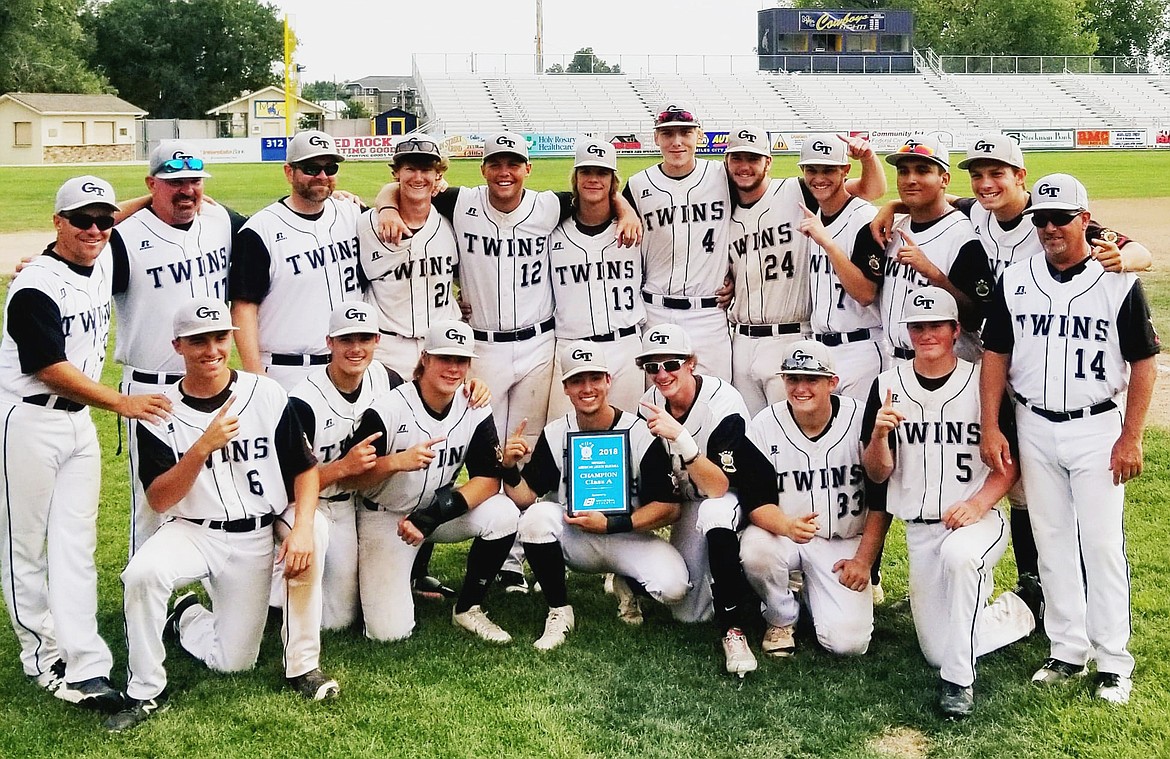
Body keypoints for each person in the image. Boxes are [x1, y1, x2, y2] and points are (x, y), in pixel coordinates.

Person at [376, 132, 639, 593]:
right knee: (478, 449)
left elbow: (597, 194)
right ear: (483, 168)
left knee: (526, 449)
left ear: (527, 168)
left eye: (513, 163)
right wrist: (385, 207)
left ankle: (517, 556)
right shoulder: (458, 202)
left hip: (540, 343)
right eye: (496, 163)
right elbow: (400, 187)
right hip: (483, 346)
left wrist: (625, 208)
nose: (504, 171)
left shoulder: (549, 206)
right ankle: (444, 552)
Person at [980, 174, 1158, 706]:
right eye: (1041, 219)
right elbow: (995, 356)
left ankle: (1113, 660)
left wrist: (1130, 437)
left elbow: (1145, 363)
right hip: (1033, 424)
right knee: (1052, 540)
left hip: (1097, 426)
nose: (1050, 228)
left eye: (1062, 218)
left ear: (1086, 218)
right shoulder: (1017, 276)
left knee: (1100, 545)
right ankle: (1066, 648)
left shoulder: (1116, 276)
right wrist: (992, 425)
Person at [107, 297, 323, 731]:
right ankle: (145, 690)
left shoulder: (265, 393)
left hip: (257, 537)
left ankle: (186, 614)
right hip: (193, 531)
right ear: (178, 345)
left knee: (233, 664)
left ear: (232, 338)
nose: (211, 350)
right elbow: (160, 500)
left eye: (220, 337)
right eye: (197, 340)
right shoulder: (158, 411)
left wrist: (299, 528)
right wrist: (201, 447)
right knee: (142, 574)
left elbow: (305, 469)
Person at [0, 176, 170, 712]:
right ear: (58, 223)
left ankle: (83, 659)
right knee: (24, 547)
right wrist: (122, 404)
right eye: (81, 220)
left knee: (76, 545)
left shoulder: (100, 256)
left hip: (77, 427)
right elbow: (50, 369)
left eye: (102, 219)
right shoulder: (34, 286)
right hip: (28, 422)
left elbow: (122, 215)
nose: (95, 229)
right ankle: (41, 655)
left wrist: (160, 195)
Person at [857, 287, 1036, 718]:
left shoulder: (981, 382)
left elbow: (1010, 462)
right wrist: (880, 435)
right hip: (919, 529)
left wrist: (978, 504)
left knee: (959, 558)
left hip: (978, 519)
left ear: (956, 330)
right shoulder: (886, 386)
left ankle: (959, 683)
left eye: (936, 325)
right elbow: (877, 473)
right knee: (936, 648)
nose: (926, 334)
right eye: (917, 326)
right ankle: (1024, 610)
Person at [501, 341, 689, 650]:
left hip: (626, 534)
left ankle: (626, 580)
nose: (586, 388)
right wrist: (508, 468)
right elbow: (525, 497)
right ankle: (559, 610)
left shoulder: (640, 432)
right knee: (535, 518)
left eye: (594, 378)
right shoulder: (555, 432)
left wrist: (611, 524)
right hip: (574, 535)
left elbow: (669, 509)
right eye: (577, 380)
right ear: (565, 387)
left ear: (608, 381)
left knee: (674, 588)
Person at [345, 320, 520, 643]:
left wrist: (431, 518)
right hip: (385, 516)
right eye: (444, 358)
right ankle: (396, 576)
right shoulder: (387, 410)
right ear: (424, 358)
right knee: (388, 634)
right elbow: (352, 480)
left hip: (433, 514)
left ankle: (468, 608)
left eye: (461, 360)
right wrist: (396, 462)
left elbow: (487, 479)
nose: (453, 369)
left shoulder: (473, 406)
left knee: (504, 513)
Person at [113, 140, 245, 554]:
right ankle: (145, 601)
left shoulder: (221, 220)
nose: (187, 190)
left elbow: (279, 226)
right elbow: (79, 246)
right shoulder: (124, 237)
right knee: (154, 502)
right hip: (153, 389)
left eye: (194, 181)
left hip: (213, 383)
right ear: (152, 183)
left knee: (219, 489)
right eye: (174, 182)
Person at [636, 324, 772, 676]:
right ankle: (739, 588)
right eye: (653, 367)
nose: (662, 374)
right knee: (688, 612)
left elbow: (718, 486)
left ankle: (734, 630)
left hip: (735, 496)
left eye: (671, 364)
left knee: (713, 512)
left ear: (692, 363)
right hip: (688, 500)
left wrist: (681, 439)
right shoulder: (651, 401)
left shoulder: (722, 401)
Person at [726, 127, 886, 415]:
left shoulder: (798, 194)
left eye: (753, 158)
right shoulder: (723, 207)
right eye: (737, 158)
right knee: (756, 434)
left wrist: (870, 158)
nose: (745, 166)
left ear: (768, 162)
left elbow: (870, 192)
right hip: (743, 339)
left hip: (797, 335)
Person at [740, 340, 874, 658]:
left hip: (841, 542)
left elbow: (882, 497)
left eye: (811, 379)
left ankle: (813, 594)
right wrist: (786, 525)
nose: (800, 387)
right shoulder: (764, 425)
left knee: (848, 645)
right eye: (792, 378)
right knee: (756, 548)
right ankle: (781, 616)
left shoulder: (858, 419)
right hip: (783, 536)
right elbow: (756, 501)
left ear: (832, 382)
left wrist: (865, 560)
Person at [287, 302, 401, 630]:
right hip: (316, 508)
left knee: (354, 612)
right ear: (329, 342)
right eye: (346, 339)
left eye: (364, 338)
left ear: (377, 340)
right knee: (336, 622)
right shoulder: (303, 402)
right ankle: (273, 588)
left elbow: (426, 396)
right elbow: (287, 486)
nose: (356, 348)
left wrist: (472, 386)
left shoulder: (386, 379)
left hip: (362, 502)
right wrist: (342, 467)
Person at [229, 130, 363, 390]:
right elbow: (243, 308)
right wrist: (255, 374)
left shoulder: (353, 214)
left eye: (330, 168)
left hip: (348, 367)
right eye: (312, 168)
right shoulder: (261, 230)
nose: (322, 177)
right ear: (289, 172)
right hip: (286, 370)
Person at [858, 136, 994, 365]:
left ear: (944, 179)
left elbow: (974, 318)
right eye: (903, 171)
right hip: (896, 362)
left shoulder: (963, 236)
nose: (910, 179)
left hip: (950, 367)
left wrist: (933, 274)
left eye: (922, 170)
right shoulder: (893, 226)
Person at [624, 104, 734, 381]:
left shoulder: (724, 176)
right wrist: (622, 206)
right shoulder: (638, 185)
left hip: (710, 312)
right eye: (667, 133)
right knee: (657, 400)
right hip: (655, 310)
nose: (676, 141)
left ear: (699, 135)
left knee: (716, 398)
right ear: (656, 138)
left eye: (685, 132)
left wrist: (736, 272)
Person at [546, 139, 646, 420]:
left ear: (613, 181)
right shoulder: (551, 230)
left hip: (624, 345)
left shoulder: (634, 230)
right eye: (586, 172)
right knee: (563, 432)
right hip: (571, 345)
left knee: (629, 432)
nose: (593, 179)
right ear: (575, 178)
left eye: (601, 173)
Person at [357, 134, 460, 372]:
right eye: (409, 169)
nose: (418, 177)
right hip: (387, 348)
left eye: (426, 169)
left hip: (442, 344)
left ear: (438, 174)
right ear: (396, 173)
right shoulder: (364, 225)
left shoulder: (452, 220)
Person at [796, 134, 886, 401]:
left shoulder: (864, 219)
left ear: (845, 171)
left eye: (828, 170)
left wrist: (828, 243)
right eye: (812, 170)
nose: (819, 178)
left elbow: (866, 293)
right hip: (823, 349)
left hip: (862, 349)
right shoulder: (816, 215)